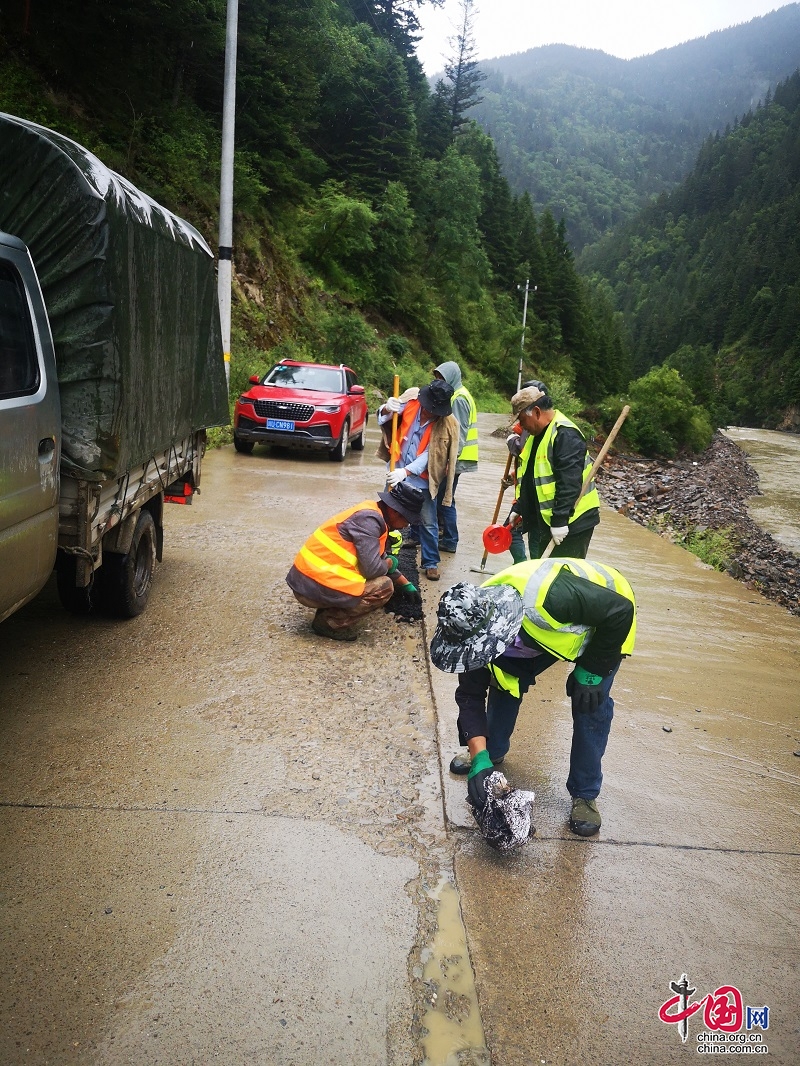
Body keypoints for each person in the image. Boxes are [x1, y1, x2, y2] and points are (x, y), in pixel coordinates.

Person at [429, 558, 636, 836]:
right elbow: (470, 695)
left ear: (496, 632)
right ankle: (494, 750)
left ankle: (585, 793)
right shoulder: (469, 624)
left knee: (589, 703)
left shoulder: (551, 598)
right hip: (532, 639)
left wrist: (593, 671)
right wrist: (480, 757)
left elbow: (620, 611)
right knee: (503, 681)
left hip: (606, 622)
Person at [286, 482, 425, 641]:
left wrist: (405, 583)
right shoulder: (369, 522)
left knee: (379, 576)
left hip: (311, 580)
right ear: (395, 511)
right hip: (311, 586)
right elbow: (372, 569)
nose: (406, 525)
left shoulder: (372, 512)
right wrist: (390, 564)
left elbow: (378, 558)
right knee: (385, 587)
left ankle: (331, 605)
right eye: (407, 519)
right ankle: (329, 622)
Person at [376, 379, 459, 582]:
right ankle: (381, 554)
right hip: (395, 471)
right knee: (385, 515)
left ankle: (430, 563)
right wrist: (386, 408)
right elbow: (385, 419)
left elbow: (431, 455)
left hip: (421, 480)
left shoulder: (446, 423)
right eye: (429, 407)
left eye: (435, 410)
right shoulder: (411, 401)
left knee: (429, 522)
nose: (430, 412)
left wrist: (406, 472)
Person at [508, 381, 600, 559]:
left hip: (573, 521)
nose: (521, 425)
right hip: (550, 521)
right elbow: (531, 477)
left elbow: (569, 482)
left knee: (564, 577)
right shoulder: (537, 435)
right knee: (546, 574)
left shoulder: (565, 434)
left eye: (521, 419)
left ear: (536, 412)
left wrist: (560, 521)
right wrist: (520, 507)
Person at [431, 361, 479, 555]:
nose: (439, 382)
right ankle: (446, 535)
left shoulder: (459, 399)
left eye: (441, 378)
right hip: (457, 458)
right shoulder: (459, 394)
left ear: (451, 377)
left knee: (445, 498)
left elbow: (458, 433)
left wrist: (450, 460)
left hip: (456, 459)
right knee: (445, 497)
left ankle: (450, 540)